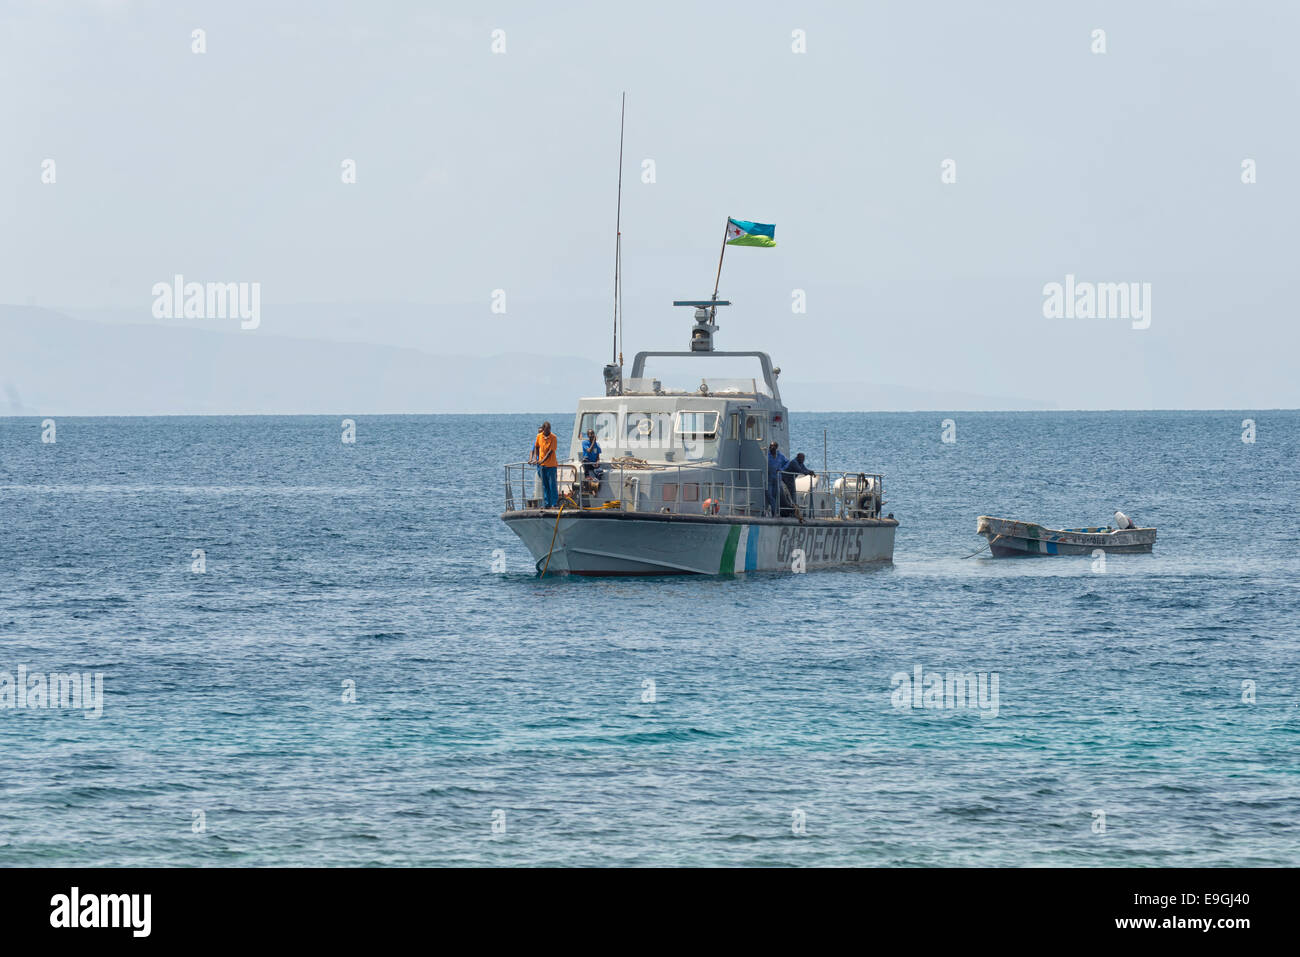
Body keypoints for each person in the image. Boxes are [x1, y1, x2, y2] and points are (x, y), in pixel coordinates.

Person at [782, 452, 815, 516]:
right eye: (801, 458)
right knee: (791, 494)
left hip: (791, 479)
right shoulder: (794, 462)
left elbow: (805, 469)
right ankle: (793, 509)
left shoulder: (800, 463)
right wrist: (808, 473)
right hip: (786, 479)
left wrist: (810, 471)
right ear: (798, 457)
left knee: (792, 494)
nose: (803, 460)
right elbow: (800, 470)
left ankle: (793, 509)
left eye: (803, 458)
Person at [534, 421, 559, 508]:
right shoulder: (539, 436)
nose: (548, 431)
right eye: (546, 429)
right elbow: (536, 447)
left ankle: (554, 503)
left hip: (551, 465)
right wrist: (536, 458)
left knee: (552, 484)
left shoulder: (553, 437)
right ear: (543, 429)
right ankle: (547, 503)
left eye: (549, 429)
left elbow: (550, 452)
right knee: (545, 485)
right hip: (542, 466)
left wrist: (542, 461)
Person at [766, 441, 789, 517]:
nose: (772, 447)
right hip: (769, 478)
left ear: (776, 447)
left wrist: (782, 469)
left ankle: (774, 512)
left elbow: (787, 462)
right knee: (769, 494)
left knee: (776, 495)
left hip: (777, 478)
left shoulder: (780, 456)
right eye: (771, 446)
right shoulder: (767, 455)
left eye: (773, 446)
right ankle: (774, 509)